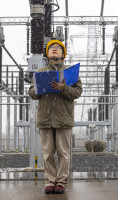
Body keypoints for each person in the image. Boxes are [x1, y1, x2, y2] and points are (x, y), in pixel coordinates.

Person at [28, 40, 82, 194]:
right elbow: (32, 93)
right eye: (51, 48)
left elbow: (77, 93)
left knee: (64, 153)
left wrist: (63, 88)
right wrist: (40, 88)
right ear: (47, 53)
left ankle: (61, 182)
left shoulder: (71, 72)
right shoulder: (40, 72)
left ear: (63, 54)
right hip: (45, 119)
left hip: (63, 119)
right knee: (47, 153)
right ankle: (50, 182)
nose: (54, 49)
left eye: (58, 48)